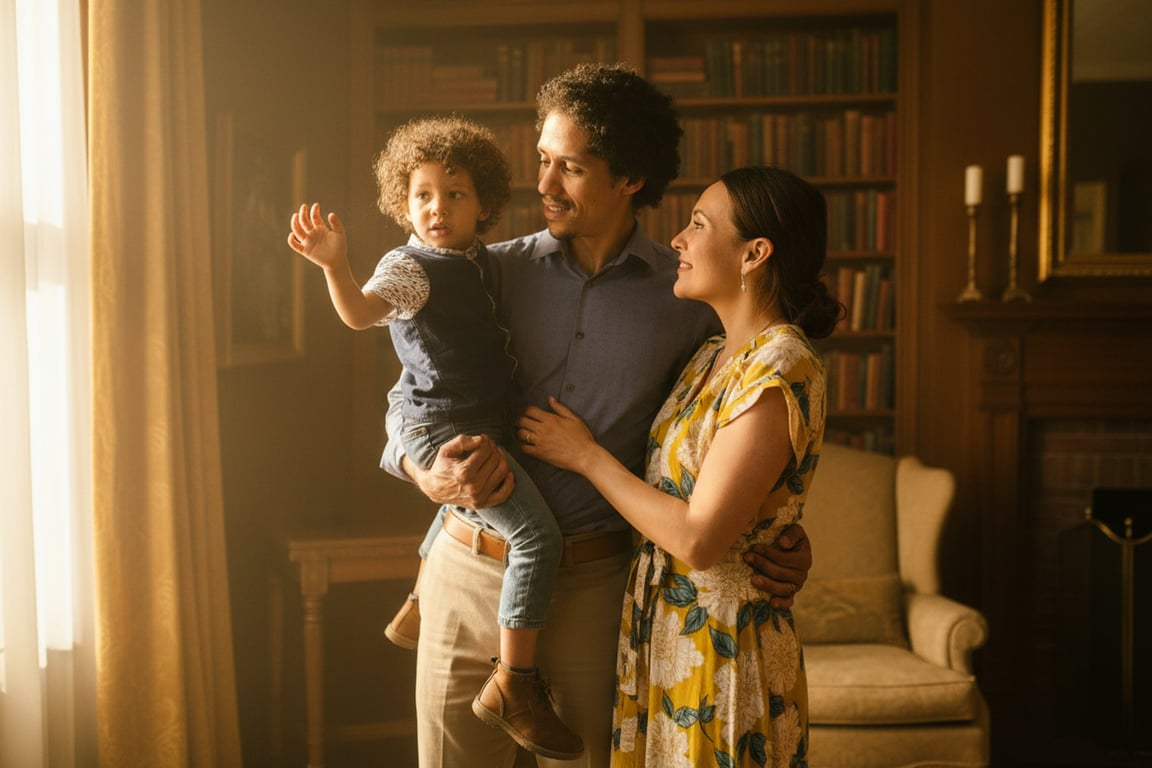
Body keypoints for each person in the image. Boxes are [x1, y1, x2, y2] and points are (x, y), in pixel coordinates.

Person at [380, 64, 815, 768]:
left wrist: (782, 531)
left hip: (594, 589)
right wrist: (419, 467)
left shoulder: (686, 300)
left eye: (571, 168)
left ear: (630, 177)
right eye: (543, 161)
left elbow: (714, 435)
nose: (544, 185)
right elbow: (412, 390)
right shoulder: (488, 271)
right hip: (466, 569)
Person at [520, 165, 841, 766]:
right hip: (664, 630)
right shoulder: (711, 355)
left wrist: (585, 456)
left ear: (754, 254)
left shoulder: (780, 365)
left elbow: (698, 538)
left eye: (698, 224)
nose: (679, 240)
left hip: (723, 648)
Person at [286, 115, 583, 759]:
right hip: (443, 430)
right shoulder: (410, 266)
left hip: (466, 422)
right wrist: (336, 267)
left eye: (454, 194)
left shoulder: (480, 261)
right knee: (535, 537)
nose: (437, 208)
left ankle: (418, 603)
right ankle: (516, 685)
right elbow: (362, 313)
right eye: (421, 194)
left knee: (465, 505)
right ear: (402, 204)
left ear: (484, 207)